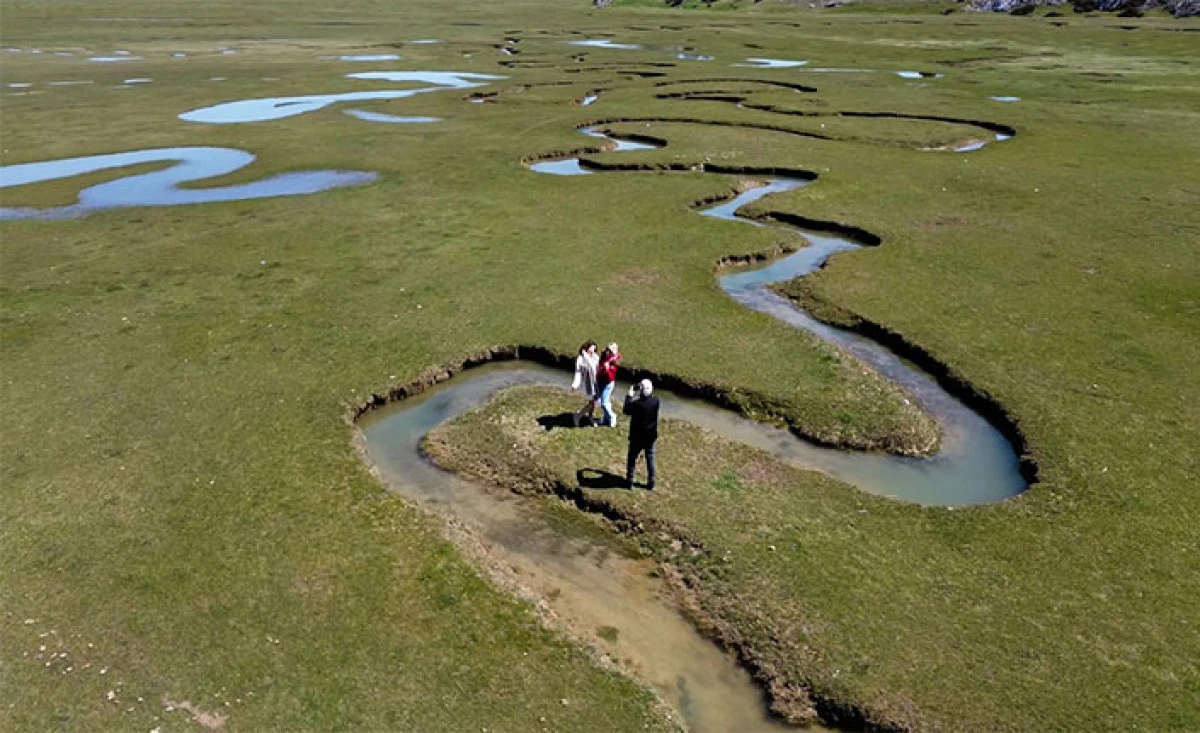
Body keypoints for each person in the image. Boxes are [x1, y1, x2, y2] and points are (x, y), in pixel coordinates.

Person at [623, 378, 660, 490]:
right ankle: (651, 481)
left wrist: (629, 395)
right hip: (650, 436)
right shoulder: (656, 401)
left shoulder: (637, 404)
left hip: (637, 437)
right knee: (650, 458)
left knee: (632, 458)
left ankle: (629, 480)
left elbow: (626, 410)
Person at [570, 340, 599, 426]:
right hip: (589, 383)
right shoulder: (581, 358)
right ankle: (579, 416)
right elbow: (578, 373)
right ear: (586, 348)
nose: (592, 351)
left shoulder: (595, 357)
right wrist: (575, 385)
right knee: (593, 402)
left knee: (593, 402)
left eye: (594, 349)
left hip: (597, 382)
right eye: (591, 348)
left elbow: (597, 367)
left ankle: (590, 417)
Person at [596, 342, 621, 427]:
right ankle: (606, 418)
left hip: (608, 384)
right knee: (603, 401)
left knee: (604, 402)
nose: (607, 352)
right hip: (601, 382)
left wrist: (607, 369)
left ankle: (612, 416)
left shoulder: (613, 364)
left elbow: (610, 377)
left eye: (610, 351)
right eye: (607, 350)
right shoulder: (603, 358)